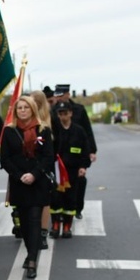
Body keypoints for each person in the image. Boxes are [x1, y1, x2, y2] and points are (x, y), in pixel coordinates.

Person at [0, 96, 55, 279]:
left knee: (34, 220)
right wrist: (19, 175)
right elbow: (5, 159)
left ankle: (32, 259)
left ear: (32, 109)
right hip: (19, 183)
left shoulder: (43, 130)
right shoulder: (9, 131)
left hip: (38, 183)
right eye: (19, 108)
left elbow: (48, 157)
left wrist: (34, 174)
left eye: (26, 107)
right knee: (23, 223)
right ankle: (30, 250)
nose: (22, 110)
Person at [49, 84, 97, 220]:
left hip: (77, 151)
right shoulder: (53, 111)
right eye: (56, 95)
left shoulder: (79, 109)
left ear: (68, 94)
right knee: (59, 184)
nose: (58, 97)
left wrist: (91, 151)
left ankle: (77, 208)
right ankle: (63, 209)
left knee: (79, 181)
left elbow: (87, 131)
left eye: (60, 95)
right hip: (59, 152)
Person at [49, 101, 91, 238]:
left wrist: (83, 167)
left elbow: (85, 150)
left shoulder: (79, 131)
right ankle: (55, 225)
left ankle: (67, 226)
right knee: (55, 198)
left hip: (73, 171)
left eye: (65, 113)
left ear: (71, 113)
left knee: (70, 198)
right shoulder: (54, 131)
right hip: (57, 171)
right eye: (60, 114)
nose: (63, 116)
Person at [30, 90, 55, 249]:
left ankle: (43, 232)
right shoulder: (24, 121)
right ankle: (31, 231)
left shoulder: (50, 121)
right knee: (31, 203)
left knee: (45, 202)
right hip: (28, 166)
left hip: (45, 166)